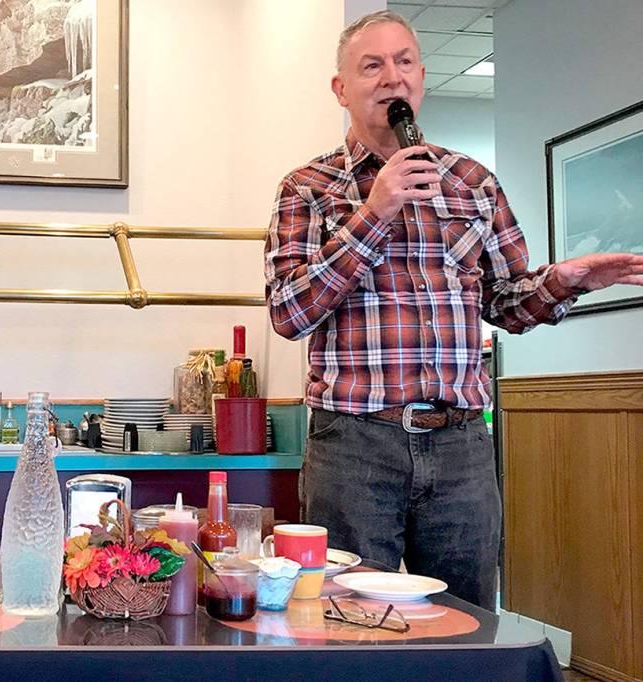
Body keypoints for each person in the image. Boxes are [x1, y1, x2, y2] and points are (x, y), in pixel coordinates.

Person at [264, 10, 643, 609]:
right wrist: (375, 212)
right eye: (372, 65)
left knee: (467, 623)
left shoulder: (473, 181)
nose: (392, 77)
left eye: (405, 62)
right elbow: (289, 312)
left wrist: (563, 282)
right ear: (341, 88)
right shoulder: (307, 188)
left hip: (462, 444)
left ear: (421, 78)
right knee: (345, 623)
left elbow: (507, 304)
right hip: (355, 442)